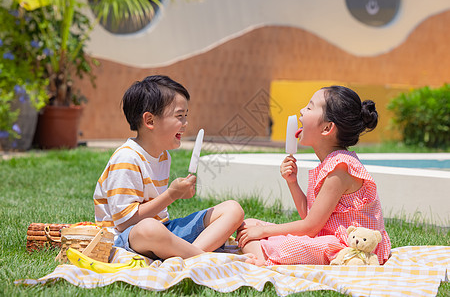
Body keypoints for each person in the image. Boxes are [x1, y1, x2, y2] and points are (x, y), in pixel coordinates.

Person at [93, 75, 244, 260]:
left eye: (185, 116)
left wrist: (176, 194)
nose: (185, 123)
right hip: (126, 239)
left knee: (233, 209)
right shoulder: (127, 158)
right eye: (179, 116)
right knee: (149, 229)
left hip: (163, 232)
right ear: (150, 121)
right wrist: (172, 195)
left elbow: (162, 223)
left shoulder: (164, 156)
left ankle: (192, 255)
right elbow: (126, 222)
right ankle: (204, 258)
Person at [236, 86, 391, 266]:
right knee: (249, 224)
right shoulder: (330, 164)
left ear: (327, 128)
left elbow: (310, 227)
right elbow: (309, 217)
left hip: (346, 247)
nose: (302, 110)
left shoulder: (340, 168)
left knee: (277, 240)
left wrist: (263, 232)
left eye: (309, 108)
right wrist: (292, 182)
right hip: (324, 235)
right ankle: (263, 255)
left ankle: (263, 259)